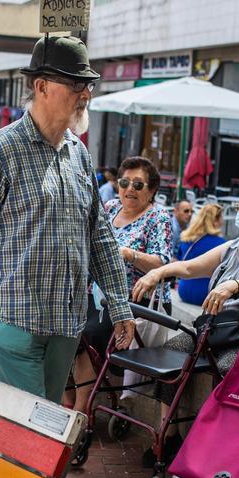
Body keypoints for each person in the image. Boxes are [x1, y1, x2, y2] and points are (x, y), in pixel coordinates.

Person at [0, 35, 135, 478]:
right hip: (12, 321)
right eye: (75, 85)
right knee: (31, 435)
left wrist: (118, 305)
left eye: (87, 86)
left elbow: (99, 236)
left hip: (64, 323)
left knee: (33, 423)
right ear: (42, 87)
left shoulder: (78, 155)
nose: (83, 95)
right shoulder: (0, 150)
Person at [132, 183, 239, 463]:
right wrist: (157, 273)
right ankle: (167, 437)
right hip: (216, 330)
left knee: (228, 369)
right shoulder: (233, 247)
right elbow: (189, 267)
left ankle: (216, 449)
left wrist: (232, 285)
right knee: (171, 353)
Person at [71, 156, 172, 417]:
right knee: (62, 324)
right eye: (125, 182)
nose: (130, 189)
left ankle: (81, 411)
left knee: (88, 331)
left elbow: (162, 262)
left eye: (138, 185)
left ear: (152, 190)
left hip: (132, 300)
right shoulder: (111, 206)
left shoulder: (158, 217)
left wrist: (129, 254)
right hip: (94, 293)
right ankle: (65, 400)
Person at [173, 203, 227, 305]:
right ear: (215, 220)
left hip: (183, 291)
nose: (222, 221)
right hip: (205, 295)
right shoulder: (222, 244)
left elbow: (179, 260)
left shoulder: (186, 238)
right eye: (221, 218)